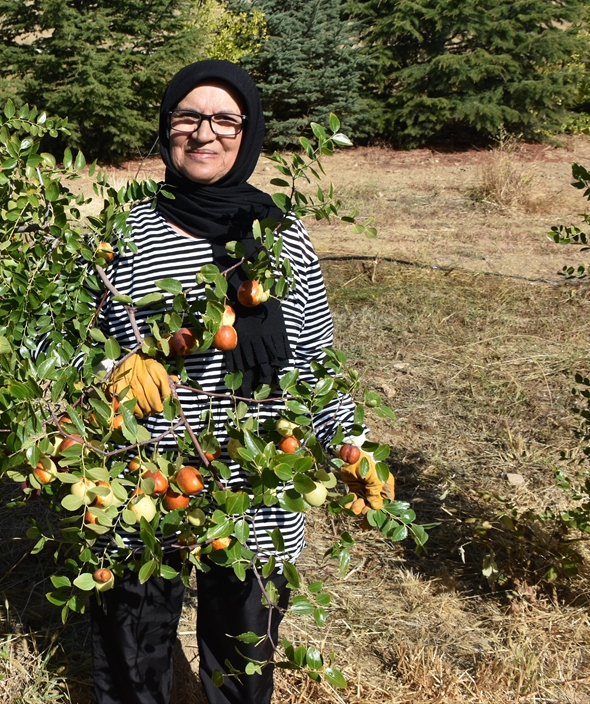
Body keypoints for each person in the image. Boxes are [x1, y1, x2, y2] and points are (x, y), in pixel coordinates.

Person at [92, 60, 391, 704]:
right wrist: (114, 367)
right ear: (166, 128)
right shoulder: (129, 233)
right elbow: (73, 342)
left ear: (248, 132)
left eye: (225, 119)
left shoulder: (282, 237)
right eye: (188, 117)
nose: (205, 133)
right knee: (132, 654)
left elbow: (314, 363)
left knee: (243, 660)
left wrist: (352, 443)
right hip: (152, 480)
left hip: (256, 488)